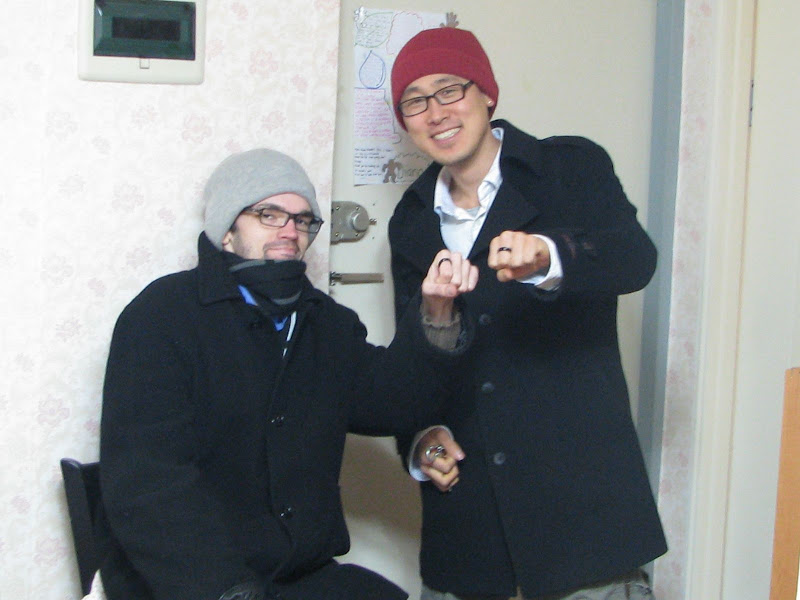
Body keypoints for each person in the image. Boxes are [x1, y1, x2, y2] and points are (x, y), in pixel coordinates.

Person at [98, 148, 478, 600]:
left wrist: (436, 313)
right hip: (194, 584)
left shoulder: (325, 322)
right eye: (269, 214)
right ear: (226, 231)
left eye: (302, 220)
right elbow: (149, 484)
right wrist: (227, 590)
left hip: (298, 576)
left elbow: (396, 402)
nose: (290, 231)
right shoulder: (161, 317)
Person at [388, 27, 668, 600]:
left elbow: (634, 259)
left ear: (487, 93)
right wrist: (420, 438)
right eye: (414, 101)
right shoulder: (411, 217)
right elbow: (413, 361)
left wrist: (549, 255)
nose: (435, 112)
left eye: (449, 89)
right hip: (469, 514)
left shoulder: (569, 167)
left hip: (581, 503)